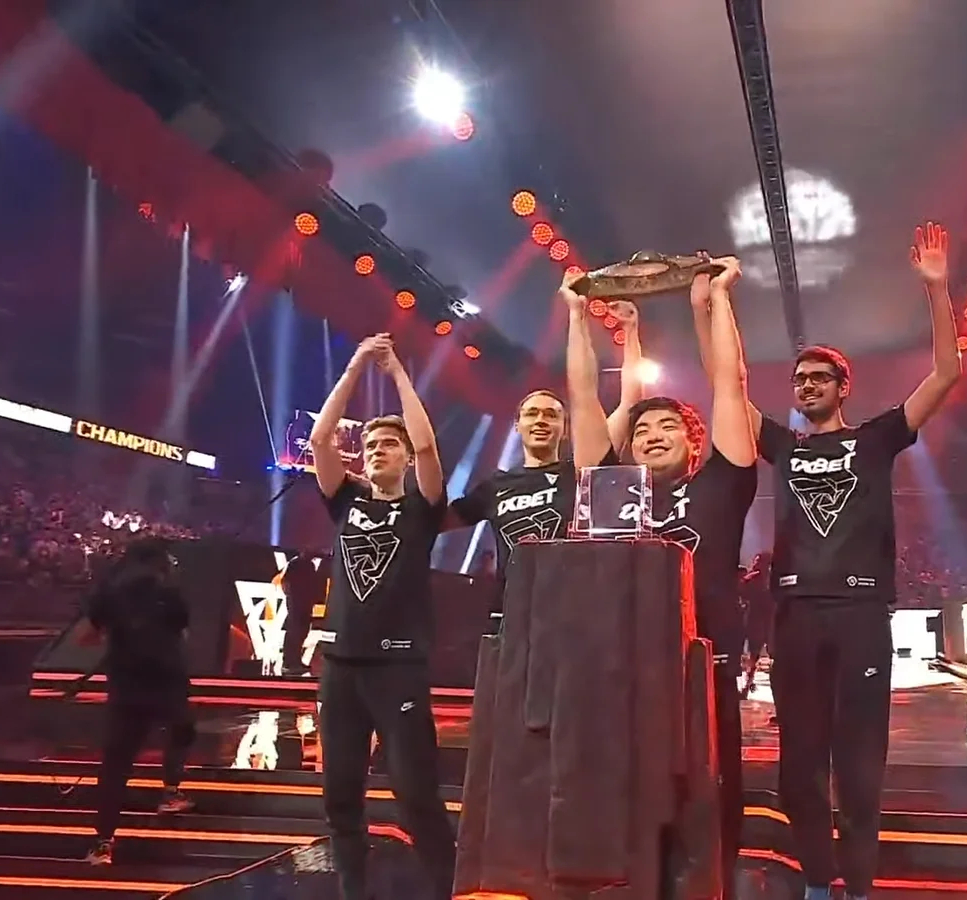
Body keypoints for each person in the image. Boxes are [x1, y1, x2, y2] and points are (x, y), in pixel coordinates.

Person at [738, 223, 960, 900]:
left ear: (844, 386)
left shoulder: (875, 439)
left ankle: (858, 887)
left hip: (861, 613)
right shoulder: (783, 446)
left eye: (819, 377)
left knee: (859, 766)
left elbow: (947, 374)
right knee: (797, 770)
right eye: (799, 378)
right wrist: (713, 307)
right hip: (794, 615)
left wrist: (936, 289)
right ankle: (817, 881)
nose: (806, 385)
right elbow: (729, 386)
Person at [563, 257, 759, 897]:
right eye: (642, 428)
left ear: (694, 442)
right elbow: (582, 399)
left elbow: (729, 384)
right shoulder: (611, 492)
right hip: (625, 672)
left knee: (708, 809)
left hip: (704, 672)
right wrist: (576, 315)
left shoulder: (722, 484)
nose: (651, 433)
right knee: (627, 811)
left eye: (668, 424)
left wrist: (720, 299)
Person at [308, 333, 455, 900]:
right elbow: (321, 438)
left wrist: (395, 373)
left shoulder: (422, 508)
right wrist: (353, 368)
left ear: (404, 457)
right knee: (339, 793)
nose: (378, 450)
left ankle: (447, 885)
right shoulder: (346, 499)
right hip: (341, 666)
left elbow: (428, 447)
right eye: (371, 444)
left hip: (398, 668)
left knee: (415, 793)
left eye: (389, 444)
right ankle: (353, 890)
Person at [447, 301, 644, 619]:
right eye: (532, 413)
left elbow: (629, 404)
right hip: (512, 615)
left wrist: (630, 333)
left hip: (573, 614)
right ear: (518, 425)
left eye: (552, 415)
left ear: (565, 429)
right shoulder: (495, 486)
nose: (541, 420)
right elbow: (424, 523)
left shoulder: (581, 470)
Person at [84, 537, 196, 866]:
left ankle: (102, 843)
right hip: (165, 682)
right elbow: (182, 628)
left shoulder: (110, 589)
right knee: (182, 730)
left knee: (116, 765)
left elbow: (91, 631)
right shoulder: (167, 590)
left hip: (127, 686)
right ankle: (171, 791)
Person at [280, 551, 327, 677]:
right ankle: (289, 663)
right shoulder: (295, 564)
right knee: (295, 632)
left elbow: (313, 585)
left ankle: (295, 661)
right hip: (297, 604)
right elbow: (285, 583)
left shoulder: (310, 566)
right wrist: (292, 598)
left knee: (301, 632)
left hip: (305, 604)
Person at [741, 551, 773, 700]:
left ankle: (748, 684)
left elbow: (742, 590)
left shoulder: (754, 578)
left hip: (757, 620)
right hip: (769, 620)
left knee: (753, 656)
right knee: (773, 656)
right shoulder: (773, 578)